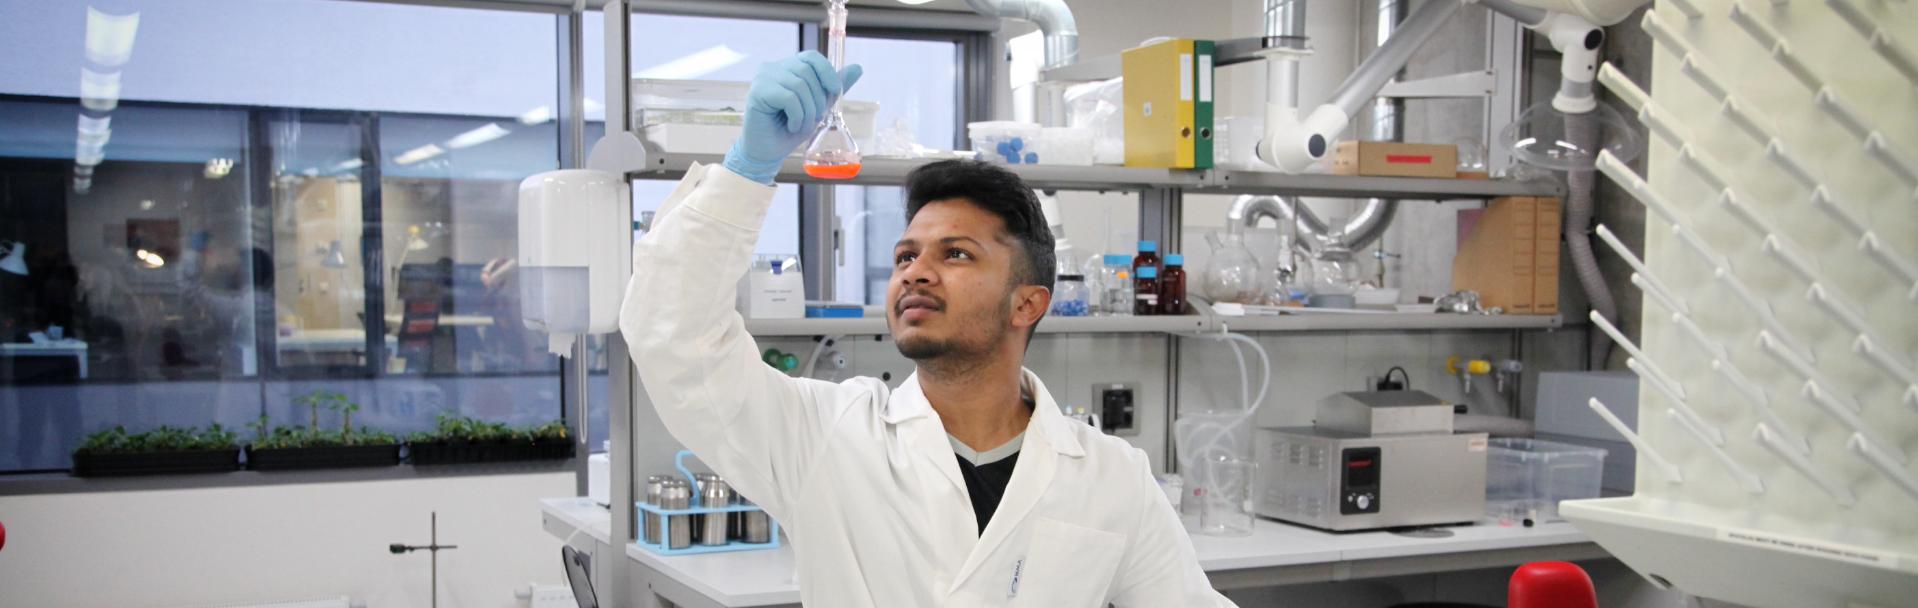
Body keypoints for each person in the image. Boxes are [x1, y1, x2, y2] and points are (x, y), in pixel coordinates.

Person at [619, 51, 1234, 607]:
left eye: (956, 254)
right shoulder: (823, 437)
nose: (916, 273)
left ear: (1027, 304)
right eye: (906, 256)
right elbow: (675, 339)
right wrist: (746, 172)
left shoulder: (1110, 475)